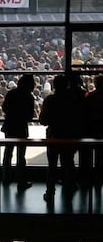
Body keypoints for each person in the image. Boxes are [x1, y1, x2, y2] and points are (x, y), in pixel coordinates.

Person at [40, 75, 81, 204]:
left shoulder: (50, 100)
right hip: (69, 136)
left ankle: (50, 192)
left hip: (54, 136)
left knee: (52, 165)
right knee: (68, 162)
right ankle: (70, 186)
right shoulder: (73, 100)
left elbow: (43, 120)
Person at [0, 74, 35, 193]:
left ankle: (6, 178)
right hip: (21, 128)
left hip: (9, 125)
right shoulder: (29, 97)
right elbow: (30, 116)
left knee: (8, 153)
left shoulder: (11, 93)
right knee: (21, 156)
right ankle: (21, 181)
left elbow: (4, 108)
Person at [84, 75, 103, 189]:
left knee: (91, 155)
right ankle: (99, 178)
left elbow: (86, 113)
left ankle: (91, 178)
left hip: (92, 129)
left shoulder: (90, 96)